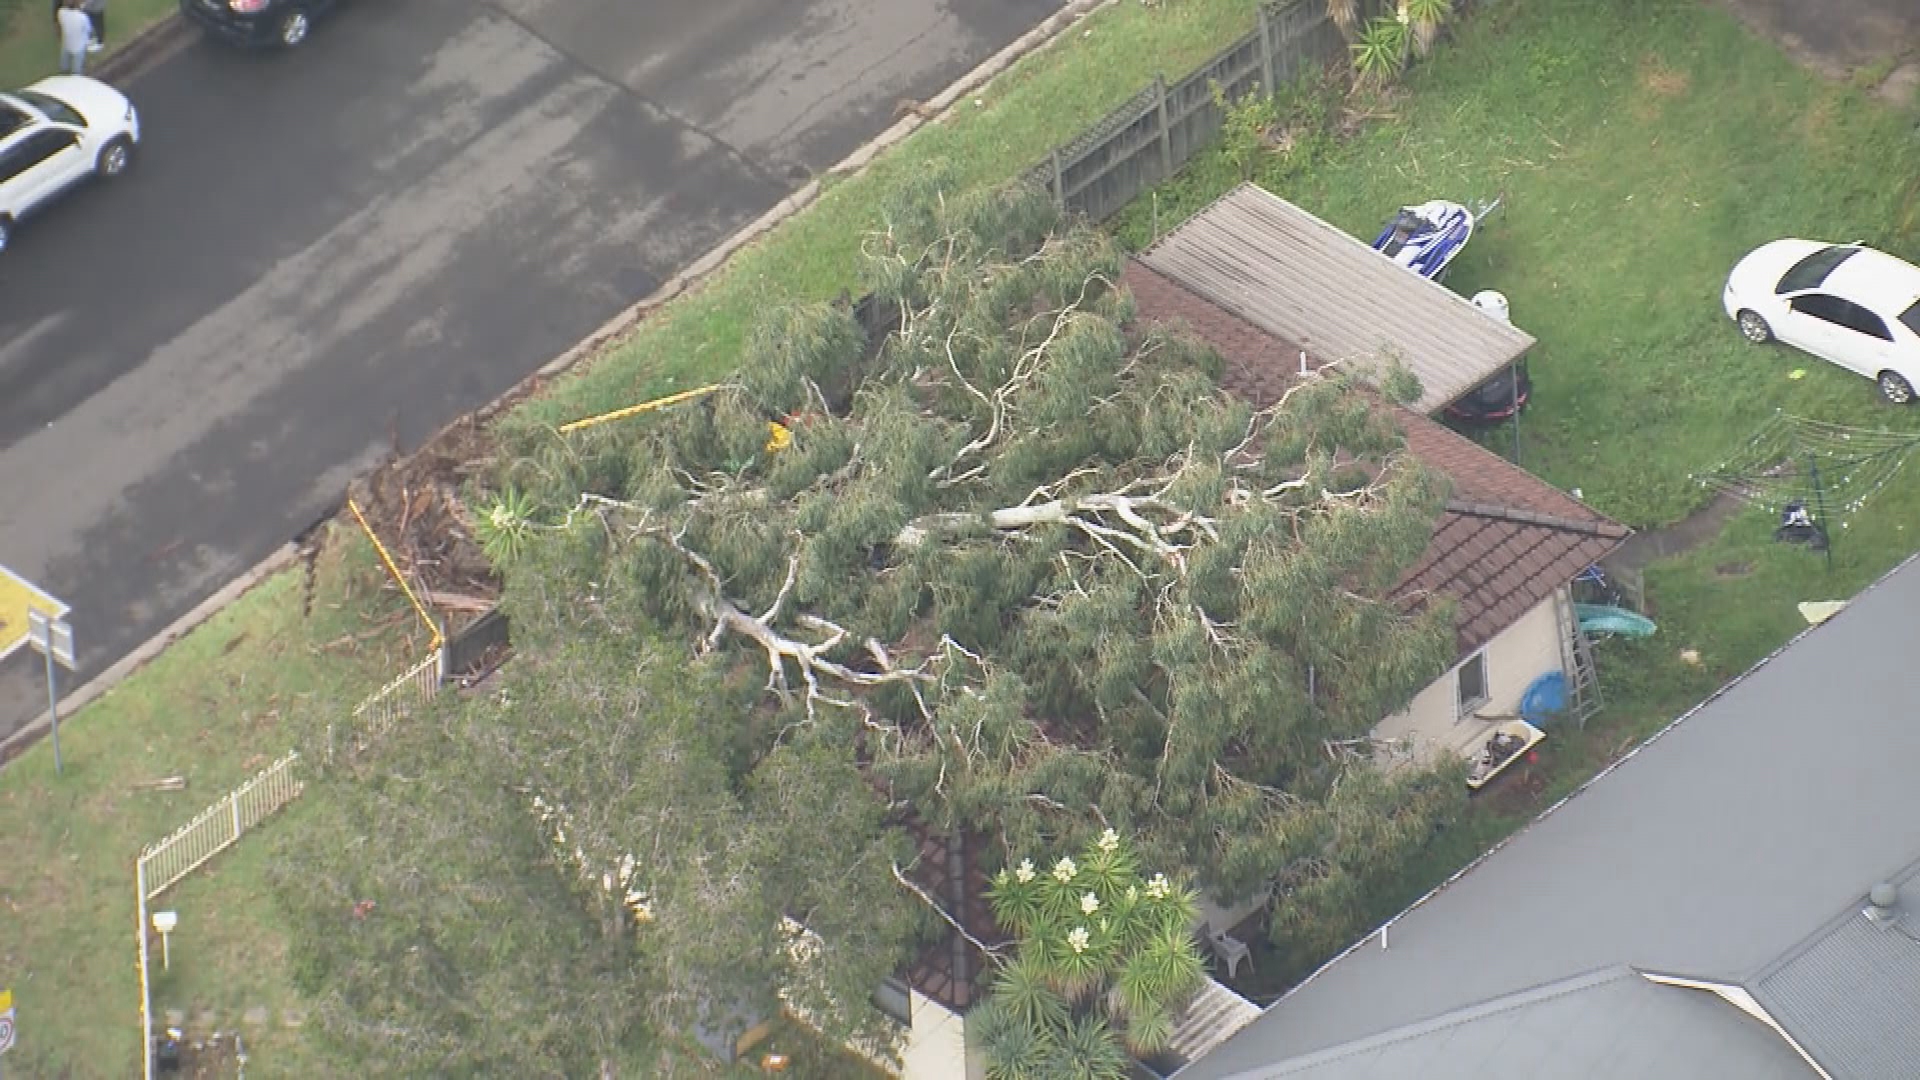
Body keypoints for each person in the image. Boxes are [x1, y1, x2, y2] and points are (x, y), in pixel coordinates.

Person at [57, 0, 92, 74]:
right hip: (79, 45)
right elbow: (88, 29)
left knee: (64, 62)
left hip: (67, 42)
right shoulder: (82, 17)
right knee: (77, 68)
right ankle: (76, 76)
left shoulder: (61, 12)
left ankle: (63, 72)